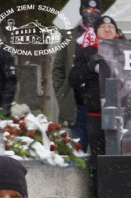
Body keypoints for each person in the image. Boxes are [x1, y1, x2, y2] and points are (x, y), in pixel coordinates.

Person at [68, 14, 120, 197]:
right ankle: (100, 196)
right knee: (99, 160)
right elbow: (73, 80)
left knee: (121, 159)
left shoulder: (126, 51)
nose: (107, 30)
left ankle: (120, 195)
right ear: (96, 32)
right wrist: (89, 67)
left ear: (116, 32)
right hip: (96, 115)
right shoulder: (87, 51)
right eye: (103, 28)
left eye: (111, 27)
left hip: (122, 116)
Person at [52, 0, 100, 146]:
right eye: (87, 8)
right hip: (77, 106)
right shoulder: (69, 36)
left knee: (104, 155)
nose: (91, 12)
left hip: (103, 106)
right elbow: (58, 69)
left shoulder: (110, 32)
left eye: (95, 9)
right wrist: (61, 93)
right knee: (76, 152)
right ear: (81, 11)